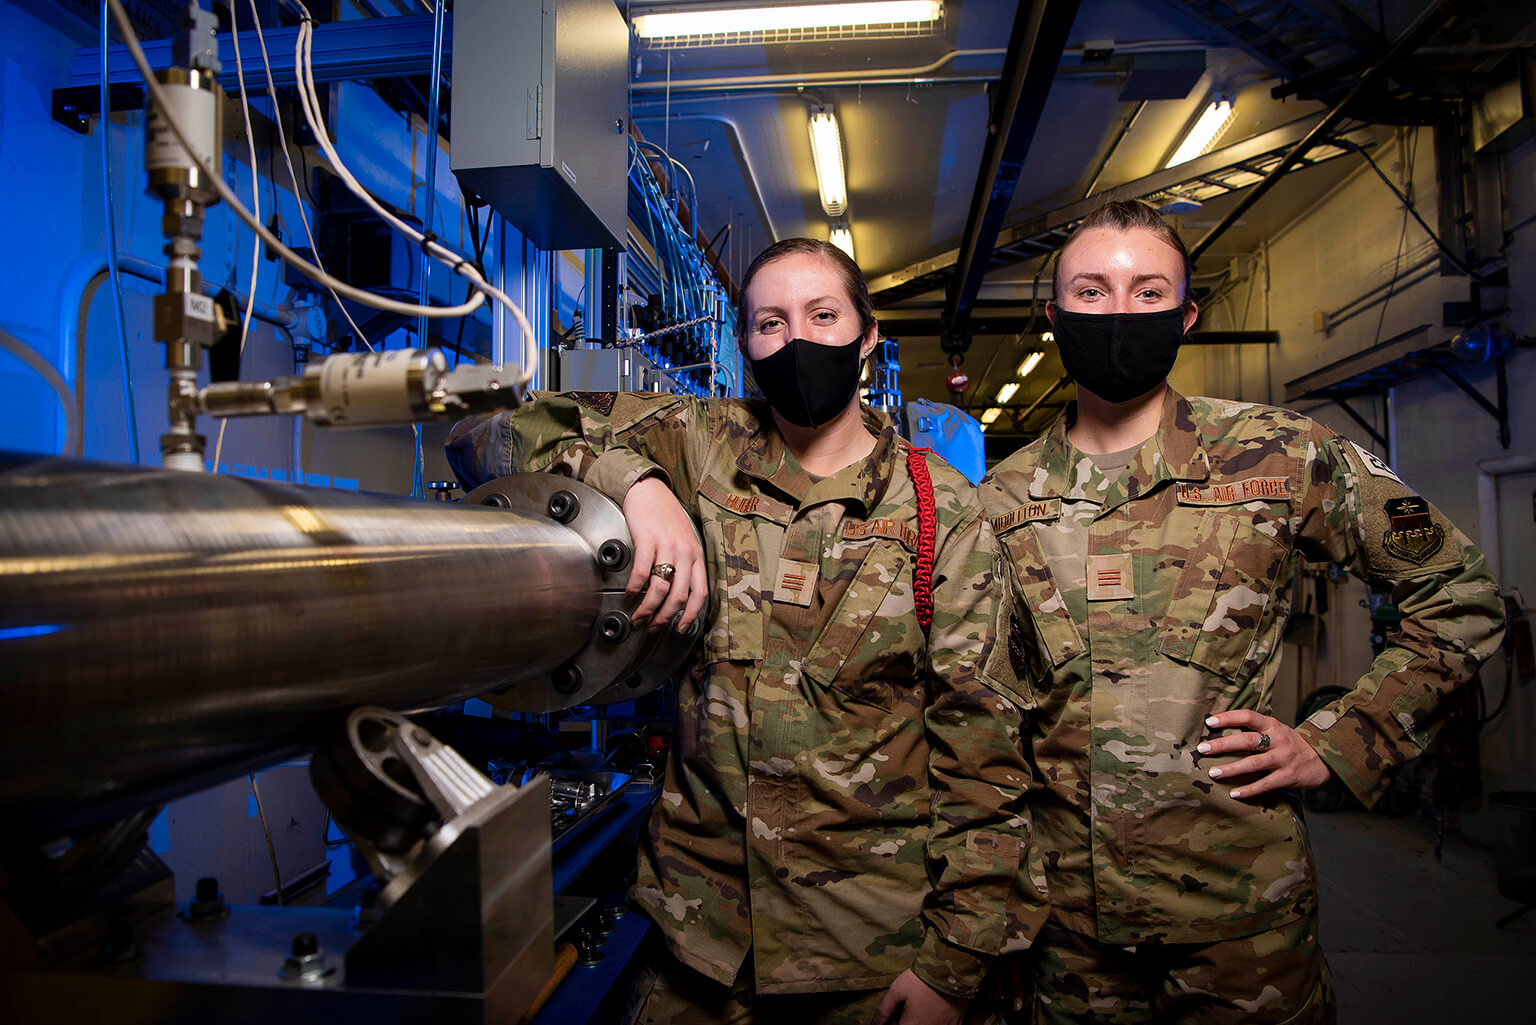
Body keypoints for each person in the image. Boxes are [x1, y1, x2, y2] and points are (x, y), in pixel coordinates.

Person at [448, 238, 1047, 1025]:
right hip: (698, 943)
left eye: (822, 315)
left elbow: (986, 759)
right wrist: (640, 485)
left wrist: (952, 965)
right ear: (745, 345)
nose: (796, 340)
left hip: (868, 952)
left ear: (867, 337)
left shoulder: (940, 513)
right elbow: (505, 428)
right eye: (770, 322)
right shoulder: (699, 443)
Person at [978, 200, 1505, 1023]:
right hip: (1065, 933)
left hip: (1240, 920)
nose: (1119, 313)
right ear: (1054, 316)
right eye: (1091, 291)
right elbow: (984, 725)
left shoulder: (1284, 454)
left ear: (1186, 315)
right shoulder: (999, 500)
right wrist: (993, 919)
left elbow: (1459, 591)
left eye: (1147, 292)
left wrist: (1344, 738)